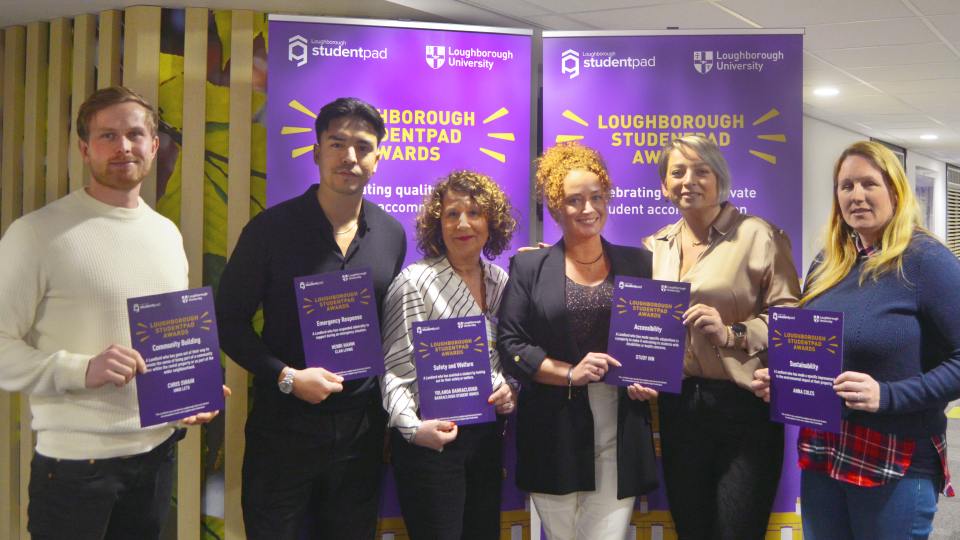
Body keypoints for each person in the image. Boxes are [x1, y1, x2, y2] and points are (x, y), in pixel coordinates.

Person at [0, 86, 223, 539]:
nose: (123, 146)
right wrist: (83, 369)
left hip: (157, 456)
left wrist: (186, 397)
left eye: (135, 134)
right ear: (85, 149)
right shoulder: (36, 234)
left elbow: (164, 344)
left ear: (154, 145)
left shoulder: (166, 235)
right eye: (107, 136)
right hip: (75, 467)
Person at [216, 97, 405, 540]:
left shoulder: (391, 235)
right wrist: (285, 376)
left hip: (361, 431)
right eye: (337, 144)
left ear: (379, 157)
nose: (350, 157)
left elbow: (392, 328)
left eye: (363, 146)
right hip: (284, 426)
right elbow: (228, 320)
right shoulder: (269, 230)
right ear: (317, 151)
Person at [751, 141, 960, 539]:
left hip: (894, 457)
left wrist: (888, 395)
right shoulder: (828, 262)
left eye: (869, 184)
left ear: (895, 192)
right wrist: (783, 380)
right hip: (823, 452)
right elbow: (813, 346)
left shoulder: (926, 260)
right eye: (846, 186)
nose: (857, 196)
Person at [642, 135, 800, 540]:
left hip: (743, 407)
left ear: (720, 180)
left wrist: (734, 332)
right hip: (680, 408)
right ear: (663, 185)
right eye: (677, 172)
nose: (688, 180)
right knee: (691, 529)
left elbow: (789, 316)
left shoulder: (758, 235)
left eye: (701, 171)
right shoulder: (655, 246)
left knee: (738, 531)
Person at [497, 143, 658, 540]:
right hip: (553, 427)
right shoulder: (529, 266)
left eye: (596, 197)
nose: (588, 208)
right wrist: (570, 372)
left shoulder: (640, 264)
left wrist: (650, 376)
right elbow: (511, 341)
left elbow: (653, 338)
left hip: (620, 424)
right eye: (574, 200)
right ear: (555, 208)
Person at [380, 170, 519, 539]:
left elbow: (508, 357)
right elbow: (393, 370)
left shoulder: (501, 282)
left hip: (487, 440)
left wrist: (508, 390)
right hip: (432, 441)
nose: (463, 224)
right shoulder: (414, 282)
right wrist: (413, 430)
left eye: (474, 213)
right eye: (451, 214)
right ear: (436, 224)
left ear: (492, 222)